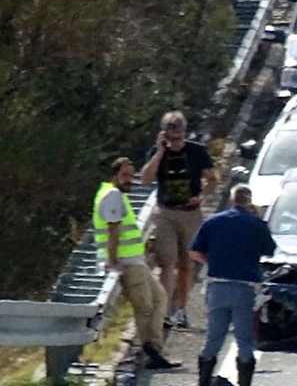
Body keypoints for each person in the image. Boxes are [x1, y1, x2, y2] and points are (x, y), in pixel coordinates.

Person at [93, 157, 181, 370]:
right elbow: (113, 230)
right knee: (145, 307)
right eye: (124, 176)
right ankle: (153, 351)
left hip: (135, 260)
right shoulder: (112, 195)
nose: (129, 180)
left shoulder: (114, 194)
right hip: (127, 262)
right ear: (114, 175)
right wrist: (113, 261)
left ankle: (153, 347)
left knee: (159, 298)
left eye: (131, 176)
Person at [190, 185, 277, 386]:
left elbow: (194, 252)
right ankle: (244, 382)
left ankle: (203, 381)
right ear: (249, 201)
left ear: (231, 200)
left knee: (214, 337)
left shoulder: (213, 222)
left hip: (217, 286)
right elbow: (270, 250)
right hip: (245, 287)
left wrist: (213, 262)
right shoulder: (256, 224)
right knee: (244, 338)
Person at [140, 111, 216, 328]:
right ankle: (164, 312)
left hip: (190, 213)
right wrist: (160, 152)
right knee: (167, 262)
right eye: (171, 130)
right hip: (165, 212)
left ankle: (181, 309)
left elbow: (211, 180)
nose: (175, 134)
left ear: (184, 130)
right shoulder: (157, 152)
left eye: (178, 129)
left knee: (186, 265)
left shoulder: (197, 151)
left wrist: (200, 197)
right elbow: (145, 179)